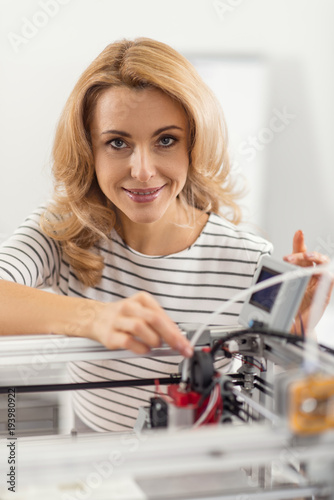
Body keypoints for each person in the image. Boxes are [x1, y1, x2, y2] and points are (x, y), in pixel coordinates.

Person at [0, 38, 329, 432]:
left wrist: (294, 342)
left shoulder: (248, 260)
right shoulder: (65, 231)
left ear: (194, 145)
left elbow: (267, 406)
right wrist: (94, 317)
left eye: (166, 140)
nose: (142, 170)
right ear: (90, 150)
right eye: (117, 143)